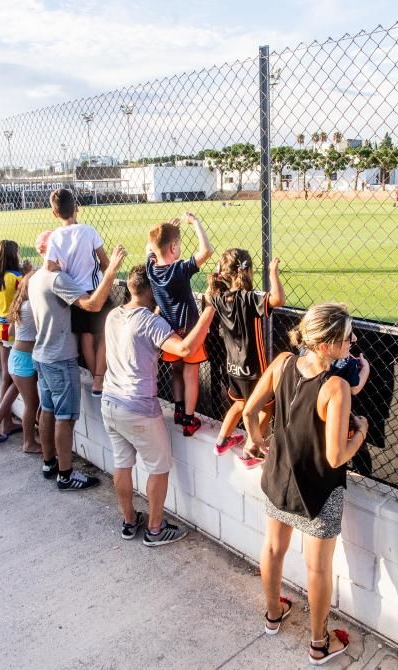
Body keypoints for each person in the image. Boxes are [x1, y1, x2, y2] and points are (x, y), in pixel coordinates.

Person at [243, 303, 369, 665]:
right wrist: (360, 434)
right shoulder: (337, 388)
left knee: (272, 549)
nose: (353, 341)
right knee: (317, 569)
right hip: (318, 490)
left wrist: (256, 440)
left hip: (278, 476)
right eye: (347, 337)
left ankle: (272, 613)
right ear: (327, 343)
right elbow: (335, 456)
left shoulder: (283, 362)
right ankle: (319, 643)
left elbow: (250, 410)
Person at [103, 266, 217, 545]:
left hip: (110, 402)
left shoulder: (114, 315)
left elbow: (140, 334)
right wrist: (209, 310)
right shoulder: (151, 323)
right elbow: (186, 350)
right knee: (159, 467)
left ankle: (129, 521)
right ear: (151, 290)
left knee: (122, 463)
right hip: (138, 408)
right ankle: (154, 530)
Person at [29, 240, 127, 490]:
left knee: (48, 410)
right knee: (65, 417)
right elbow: (92, 305)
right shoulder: (57, 279)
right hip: (60, 359)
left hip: (42, 355)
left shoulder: (36, 277)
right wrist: (112, 270)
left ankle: (50, 463)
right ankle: (65, 474)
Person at [207, 250, 285, 467]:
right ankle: (252, 450)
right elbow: (278, 299)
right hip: (253, 369)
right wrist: (273, 273)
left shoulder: (219, 299)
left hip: (233, 367)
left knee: (241, 403)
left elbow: (208, 295)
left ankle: (222, 441)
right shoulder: (250, 299)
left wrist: (217, 275)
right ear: (249, 271)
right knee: (265, 406)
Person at [146, 212, 214, 436]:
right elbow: (206, 251)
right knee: (190, 374)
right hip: (190, 331)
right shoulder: (179, 270)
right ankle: (188, 419)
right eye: (179, 244)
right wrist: (195, 222)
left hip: (169, 333)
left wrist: (163, 230)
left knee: (176, 371)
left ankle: (178, 409)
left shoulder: (151, 269)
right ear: (173, 247)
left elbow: (151, 249)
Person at [45, 188, 111, 395]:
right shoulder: (88, 230)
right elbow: (105, 262)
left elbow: (48, 266)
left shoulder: (55, 236)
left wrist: (66, 271)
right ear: (76, 208)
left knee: (85, 336)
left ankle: (95, 379)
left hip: (73, 294)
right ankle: (100, 379)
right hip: (95, 290)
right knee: (105, 334)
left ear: (54, 213)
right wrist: (96, 271)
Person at [0, 262, 42, 451]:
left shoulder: (20, 304)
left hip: (17, 357)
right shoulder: (32, 307)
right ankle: (29, 442)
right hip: (24, 360)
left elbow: (11, 331)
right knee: (32, 404)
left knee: (14, 391)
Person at [0, 240, 24, 430]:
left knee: (6, 376)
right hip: (14, 329)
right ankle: (2, 420)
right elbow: (24, 295)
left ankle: (6, 421)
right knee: (17, 376)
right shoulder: (14, 278)